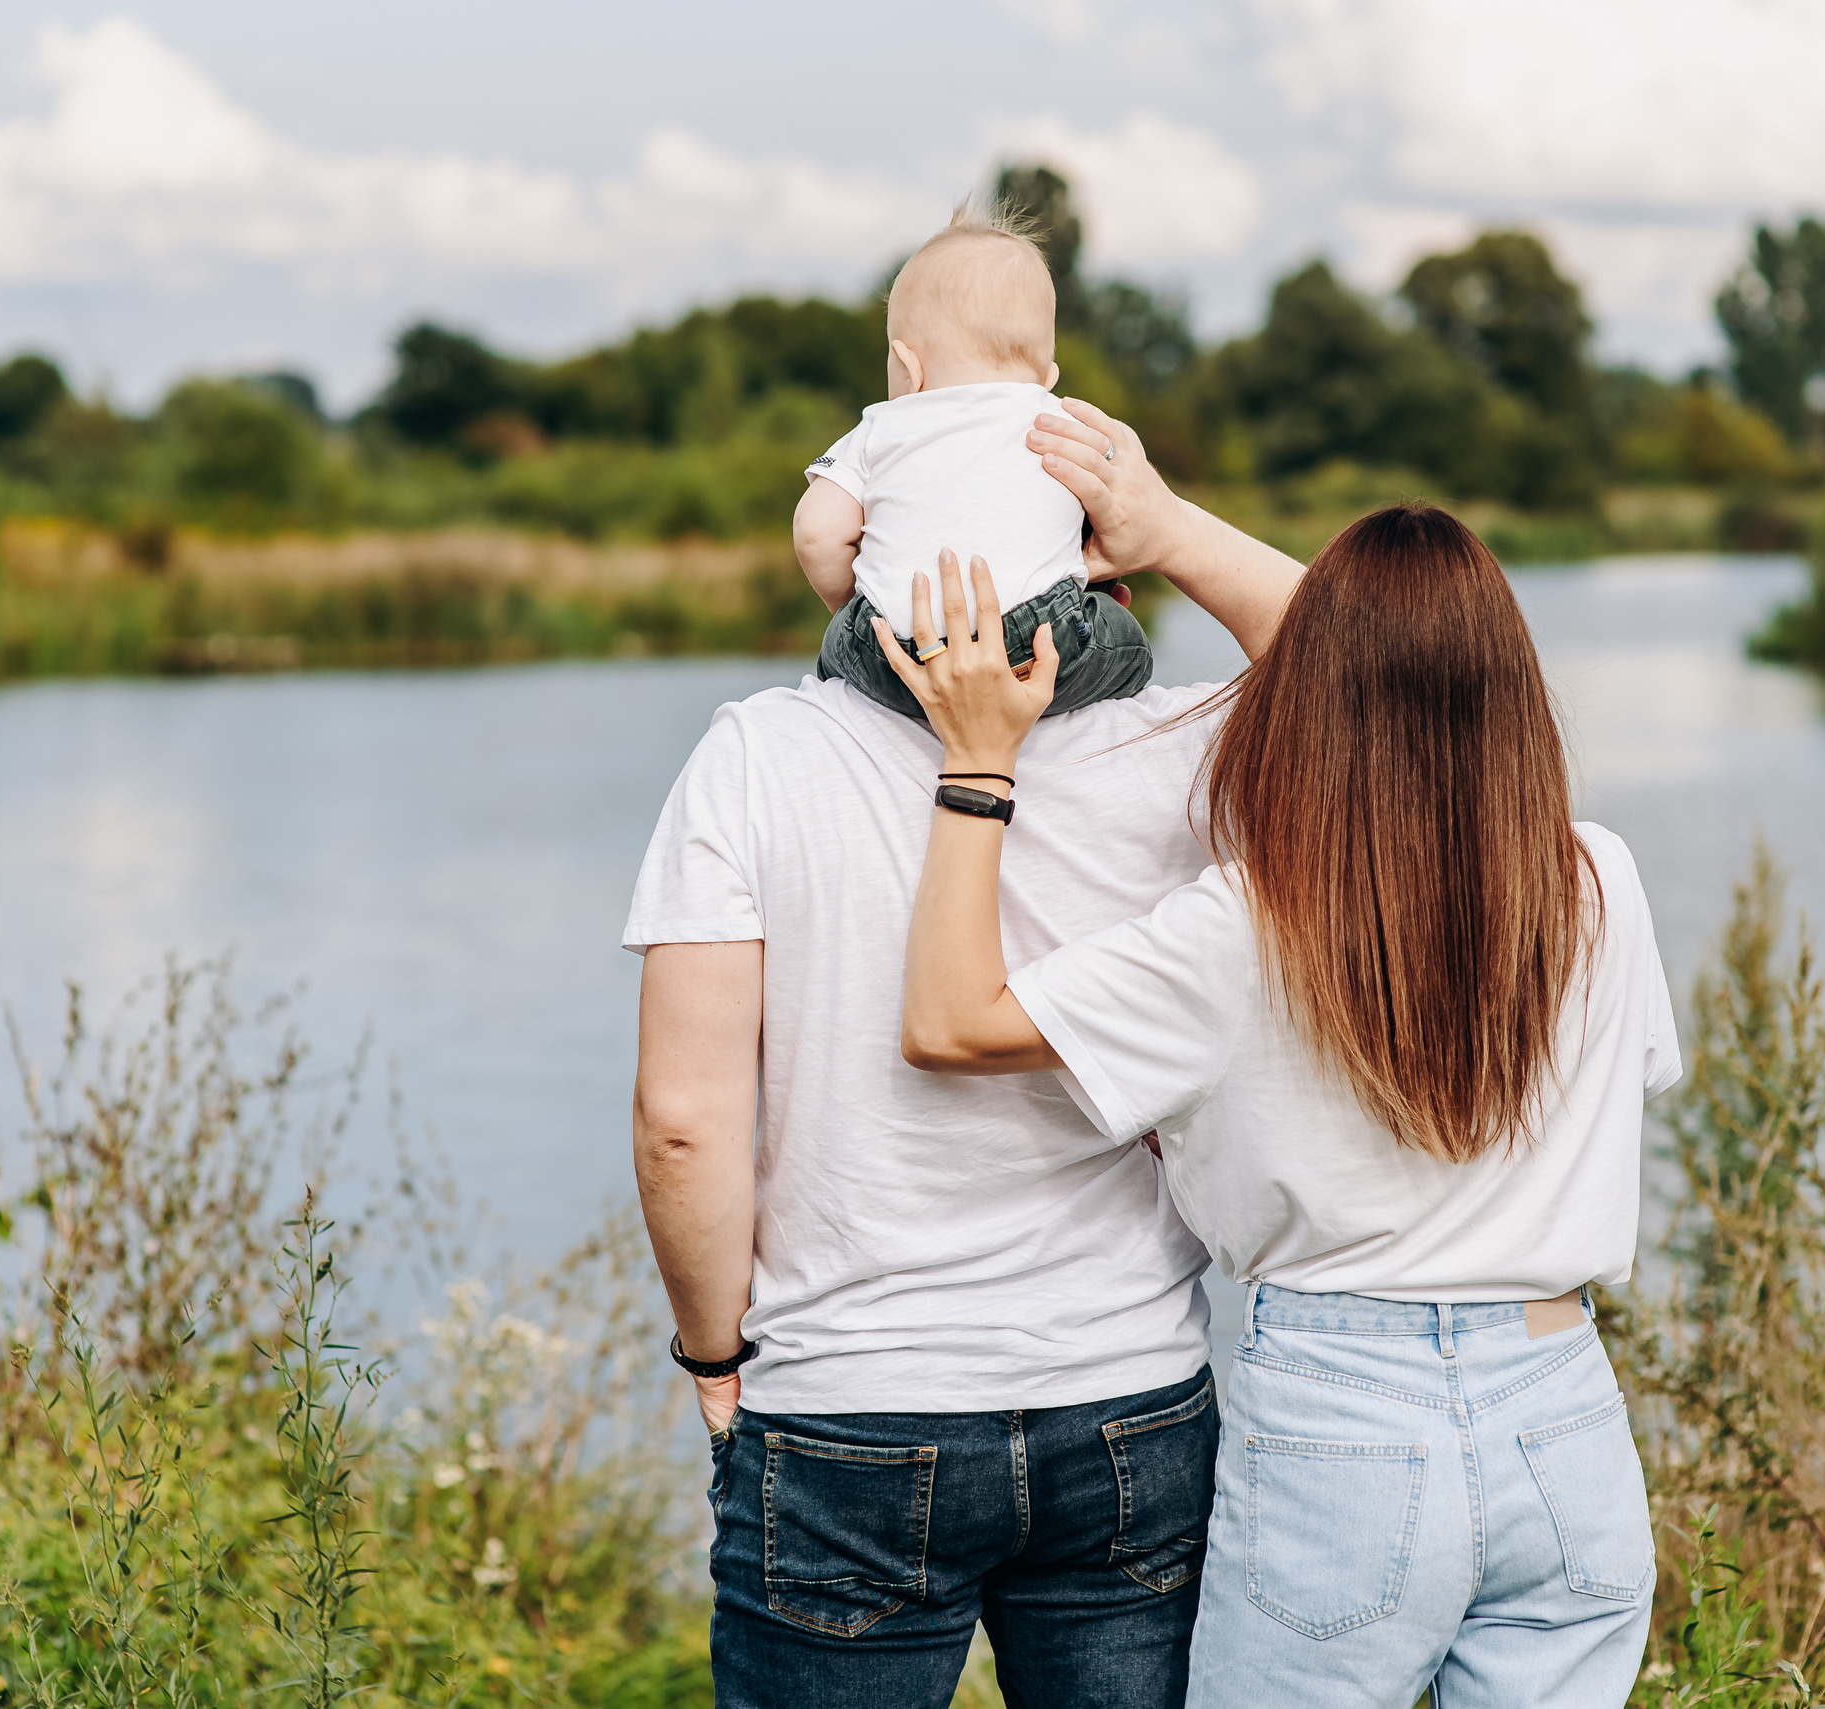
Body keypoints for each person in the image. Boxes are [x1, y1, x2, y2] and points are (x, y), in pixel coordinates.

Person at [882, 502, 1681, 1707]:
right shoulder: (1594, 878)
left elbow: (947, 1019)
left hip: (1341, 1419)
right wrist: (1163, 522)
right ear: (1513, 686)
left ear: (1309, 692)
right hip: (1561, 1406)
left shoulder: (1250, 923)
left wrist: (980, 765)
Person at [626, 401, 1303, 1709]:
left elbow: (682, 1121)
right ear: (1088, 545)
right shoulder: (1180, 744)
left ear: (868, 535)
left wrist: (715, 1359)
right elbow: (1372, 664)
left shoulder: (755, 756)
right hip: (1126, 1398)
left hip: (846, 1401)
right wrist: (1165, 530)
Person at [794, 201, 1151, 723]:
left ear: (908, 366)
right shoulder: (1058, 420)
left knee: (838, 652)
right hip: (1039, 644)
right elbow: (1113, 516)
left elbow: (815, 532)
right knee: (1129, 647)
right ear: (1047, 376)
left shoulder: (881, 427)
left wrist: (861, 610)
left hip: (897, 652)